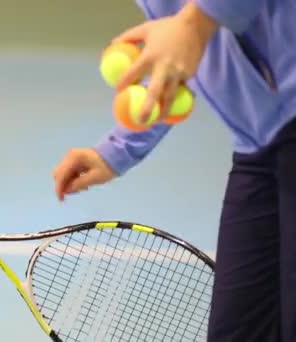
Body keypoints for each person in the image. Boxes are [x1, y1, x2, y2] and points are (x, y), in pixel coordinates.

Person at [53, 0, 296, 340]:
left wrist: (194, 23)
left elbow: (192, 31)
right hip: (258, 150)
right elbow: (186, 56)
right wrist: (116, 150)